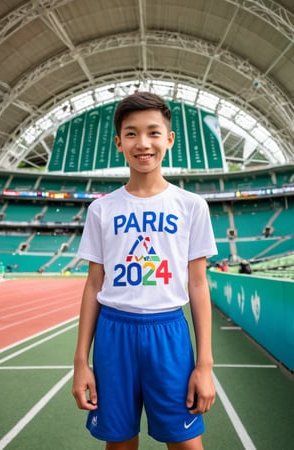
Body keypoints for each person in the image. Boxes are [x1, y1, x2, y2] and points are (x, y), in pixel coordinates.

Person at [72, 91, 218, 450]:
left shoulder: (191, 206)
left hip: (168, 332)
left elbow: (198, 285)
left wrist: (205, 365)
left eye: (153, 132)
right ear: (119, 142)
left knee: (186, 444)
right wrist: (80, 362)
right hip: (113, 333)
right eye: (132, 133)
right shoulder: (101, 210)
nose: (143, 143)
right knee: (119, 443)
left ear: (168, 139)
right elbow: (93, 286)